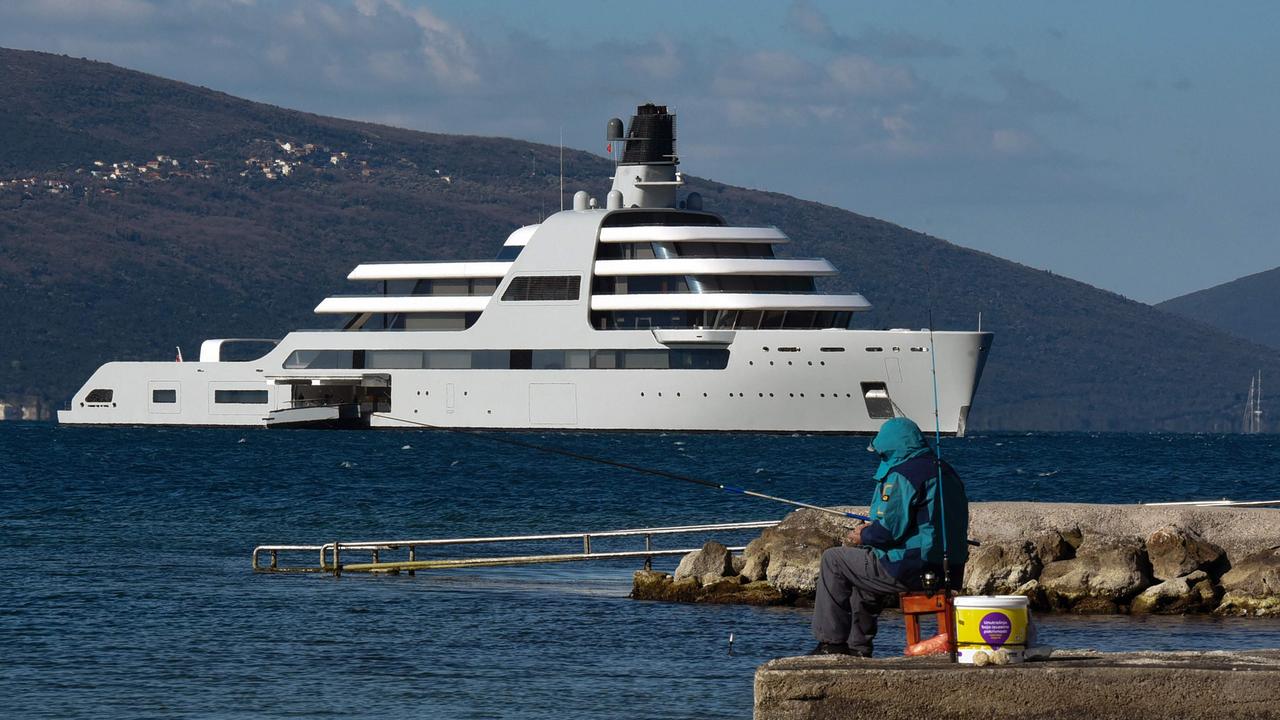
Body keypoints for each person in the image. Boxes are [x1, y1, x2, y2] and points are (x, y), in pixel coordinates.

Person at [810, 417, 969, 657]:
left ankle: (831, 644)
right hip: (948, 571)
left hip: (911, 568)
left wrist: (862, 534)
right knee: (863, 571)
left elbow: (887, 532)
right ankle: (857, 649)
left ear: (891, 447)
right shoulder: (945, 470)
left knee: (834, 560)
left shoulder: (904, 474)